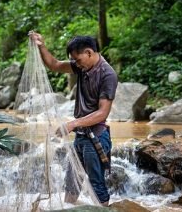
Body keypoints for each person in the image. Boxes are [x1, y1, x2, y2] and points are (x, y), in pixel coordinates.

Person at [29, 32, 118, 206]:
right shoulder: (82, 66)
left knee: (97, 186)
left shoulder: (108, 75)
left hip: (96, 138)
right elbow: (54, 65)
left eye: (77, 59)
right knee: (71, 185)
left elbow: (102, 113)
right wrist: (41, 45)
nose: (75, 64)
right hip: (81, 137)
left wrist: (72, 124)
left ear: (89, 53)